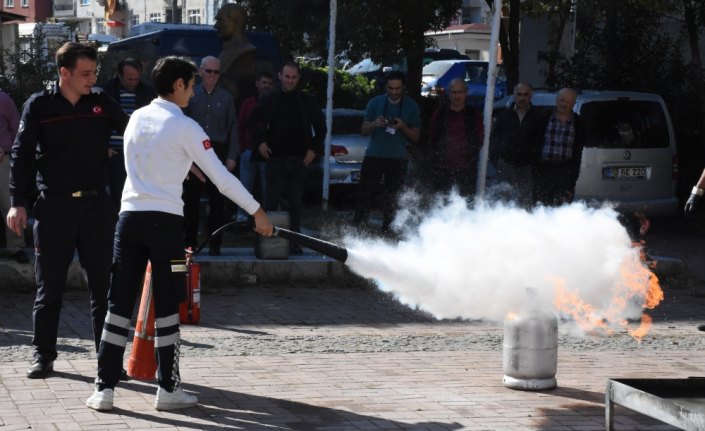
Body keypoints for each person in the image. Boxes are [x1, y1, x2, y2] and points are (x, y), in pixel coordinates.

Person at [86, 56, 273, 412]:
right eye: (191, 83)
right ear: (178, 86)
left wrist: (182, 166)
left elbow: (142, 161)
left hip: (128, 219)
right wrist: (256, 211)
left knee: (118, 303)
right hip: (165, 224)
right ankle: (168, 390)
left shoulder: (137, 117)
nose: (194, 89)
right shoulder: (186, 126)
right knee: (168, 306)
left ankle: (103, 389)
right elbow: (221, 178)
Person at [6, 42, 129, 379]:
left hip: (96, 207)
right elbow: (22, 155)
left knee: (104, 288)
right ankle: (43, 355)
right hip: (54, 208)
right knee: (49, 288)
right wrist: (17, 202)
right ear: (65, 73)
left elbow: (133, 131)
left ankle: (110, 361)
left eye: (95, 73)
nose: (92, 79)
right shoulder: (39, 105)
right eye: (85, 73)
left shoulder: (101, 103)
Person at [247, 61, 325, 254]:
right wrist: (260, 143)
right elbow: (251, 122)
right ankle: (268, 243)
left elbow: (322, 128)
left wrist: (313, 149)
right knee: (271, 204)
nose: (290, 81)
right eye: (287, 76)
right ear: (280, 76)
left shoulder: (307, 100)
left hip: (299, 160)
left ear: (298, 78)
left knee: (296, 204)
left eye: (294, 77)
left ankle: (294, 242)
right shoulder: (269, 99)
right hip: (275, 159)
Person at [182, 56, 238, 255]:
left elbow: (233, 128)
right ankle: (190, 243)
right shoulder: (191, 95)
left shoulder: (226, 98)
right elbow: (181, 125)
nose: (212, 75)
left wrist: (232, 156)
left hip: (218, 151)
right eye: (209, 71)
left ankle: (215, 243)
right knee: (191, 201)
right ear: (200, 71)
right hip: (194, 150)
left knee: (218, 202)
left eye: (216, 72)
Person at [353, 70, 421, 233]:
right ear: (386, 87)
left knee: (393, 197)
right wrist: (375, 124)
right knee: (366, 194)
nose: (394, 92)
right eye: (390, 88)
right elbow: (363, 131)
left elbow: (416, 137)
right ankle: (359, 228)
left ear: (403, 87)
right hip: (374, 155)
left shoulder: (411, 106)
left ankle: (389, 230)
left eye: (397, 88)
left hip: (398, 158)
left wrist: (402, 126)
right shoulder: (375, 103)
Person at [97, 58, 156, 209]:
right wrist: (104, 147)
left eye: (136, 79)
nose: (133, 82)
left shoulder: (148, 93)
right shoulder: (105, 92)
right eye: (129, 79)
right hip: (115, 153)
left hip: (138, 153)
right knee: (115, 196)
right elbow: (99, 123)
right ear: (119, 75)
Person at [489, 82, 545, 207]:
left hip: (527, 168)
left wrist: (534, 164)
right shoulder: (504, 115)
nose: (522, 98)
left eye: (525, 94)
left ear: (530, 96)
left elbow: (541, 142)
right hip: (505, 166)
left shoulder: (538, 117)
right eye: (519, 94)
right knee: (502, 204)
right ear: (514, 95)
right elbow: (494, 140)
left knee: (524, 205)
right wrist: (497, 162)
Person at [425, 78, 483, 198]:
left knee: (466, 204)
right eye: (453, 92)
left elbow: (479, 138)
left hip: (466, 169)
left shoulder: (474, 115)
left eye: (459, 92)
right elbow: (432, 136)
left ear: (466, 93)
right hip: (442, 169)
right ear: (448, 93)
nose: (456, 95)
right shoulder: (440, 114)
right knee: (442, 204)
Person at [532, 87, 584, 206]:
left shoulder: (579, 123)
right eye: (562, 100)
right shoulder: (543, 117)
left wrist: (572, 179)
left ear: (574, 103)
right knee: (540, 206)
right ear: (556, 100)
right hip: (543, 170)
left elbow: (578, 152)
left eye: (568, 101)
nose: (564, 104)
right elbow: (533, 142)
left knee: (562, 208)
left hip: (565, 171)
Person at [234, 70, 274, 222]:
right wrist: (242, 148)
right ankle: (242, 218)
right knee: (244, 188)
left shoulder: (274, 102)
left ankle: (267, 219)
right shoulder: (248, 103)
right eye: (264, 83)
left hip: (268, 154)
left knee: (267, 189)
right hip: (249, 152)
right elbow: (241, 126)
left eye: (270, 84)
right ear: (257, 84)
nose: (266, 86)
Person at [0, 90, 29, 263]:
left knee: (9, 204)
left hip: (3, 160)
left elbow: (17, 128)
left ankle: (16, 247)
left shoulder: (3, 99)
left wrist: (6, 149)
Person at [214, 3, 258, 108]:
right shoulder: (228, 50)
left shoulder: (244, 53)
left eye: (221, 20)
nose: (215, 26)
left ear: (235, 22)